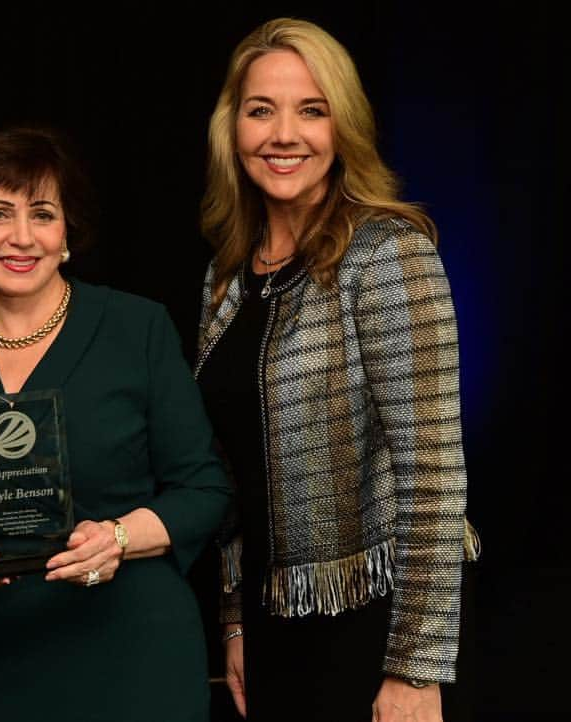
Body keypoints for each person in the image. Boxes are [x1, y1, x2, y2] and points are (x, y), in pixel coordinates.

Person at [194, 17, 479, 722]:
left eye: (311, 110)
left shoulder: (386, 256)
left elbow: (434, 473)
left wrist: (415, 670)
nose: (284, 134)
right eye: (262, 110)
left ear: (342, 127)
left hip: (372, 631)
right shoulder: (225, 278)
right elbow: (227, 473)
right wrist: (233, 623)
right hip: (269, 627)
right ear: (234, 130)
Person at [0, 126, 231, 722]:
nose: (21, 237)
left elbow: (205, 488)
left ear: (67, 234)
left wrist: (120, 538)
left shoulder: (138, 329)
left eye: (43, 214)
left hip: (134, 657)